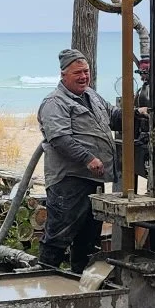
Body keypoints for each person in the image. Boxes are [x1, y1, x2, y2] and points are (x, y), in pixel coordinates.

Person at [36, 47, 118, 271]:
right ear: (63, 75)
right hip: (69, 182)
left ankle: (81, 286)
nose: (84, 77)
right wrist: (88, 158)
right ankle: (45, 282)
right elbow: (59, 138)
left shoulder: (91, 95)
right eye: (77, 73)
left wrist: (137, 112)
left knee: (88, 238)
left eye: (86, 71)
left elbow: (112, 116)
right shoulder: (55, 102)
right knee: (58, 237)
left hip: (93, 180)